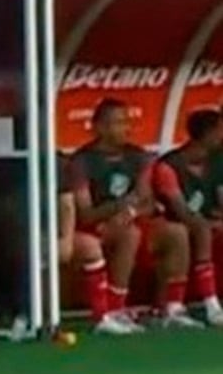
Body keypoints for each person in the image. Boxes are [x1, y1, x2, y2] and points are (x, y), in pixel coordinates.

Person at [68, 98, 198, 332]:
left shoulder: (139, 156)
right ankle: (115, 310)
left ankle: (171, 308)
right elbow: (85, 213)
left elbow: (146, 201)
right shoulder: (81, 161)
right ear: (99, 127)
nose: (125, 128)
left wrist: (130, 210)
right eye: (117, 122)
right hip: (96, 228)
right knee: (130, 234)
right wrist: (121, 207)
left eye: (127, 122)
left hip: (132, 220)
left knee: (176, 232)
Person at [153, 108, 223, 326]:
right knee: (199, 228)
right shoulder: (168, 166)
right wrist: (209, 222)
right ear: (209, 134)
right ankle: (211, 305)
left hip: (207, 222)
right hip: (174, 225)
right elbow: (182, 212)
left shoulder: (218, 161)